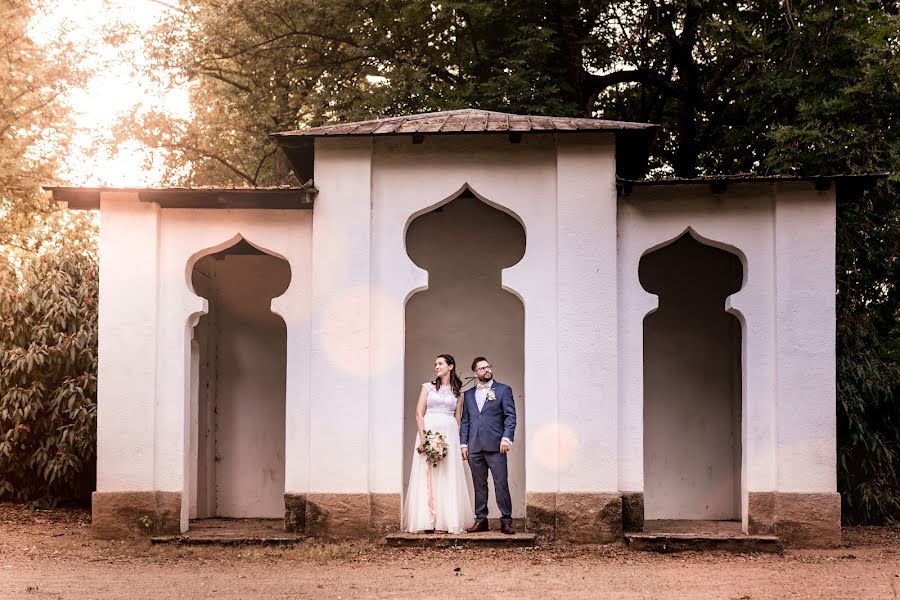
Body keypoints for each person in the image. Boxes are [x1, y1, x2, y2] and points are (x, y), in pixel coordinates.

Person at [402, 354, 474, 534]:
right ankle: (427, 520)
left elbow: (458, 418)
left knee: (447, 474)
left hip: (449, 435)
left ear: (450, 366)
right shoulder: (428, 387)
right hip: (429, 432)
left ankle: (446, 520)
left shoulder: (458, 393)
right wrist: (424, 438)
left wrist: (456, 442)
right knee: (428, 474)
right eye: (435, 364)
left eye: (440, 363)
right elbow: (419, 413)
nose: (436, 366)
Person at [460, 356, 517, 534]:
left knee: (501, 484)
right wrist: (463, 444)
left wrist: (506, 438)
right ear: (475, 373)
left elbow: (510, 416)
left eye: (488, 367)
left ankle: (506, 521)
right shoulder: (468, 395)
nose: (487, 370)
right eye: (482, 368)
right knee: (479, 485)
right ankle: (481, 520)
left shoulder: (503, 390)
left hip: (496, 445)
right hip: (474, 446)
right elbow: (465, 421)